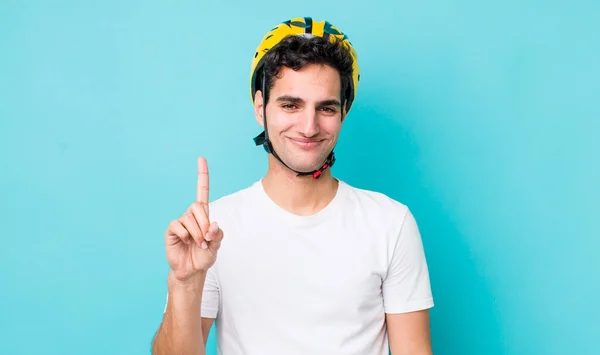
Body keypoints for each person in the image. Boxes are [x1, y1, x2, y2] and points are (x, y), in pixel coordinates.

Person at [151, 17, 434, 355]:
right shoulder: (214, 231)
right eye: (290, 105)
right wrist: (185, 282)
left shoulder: (390, 223)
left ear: (343, 111)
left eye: (326, 108)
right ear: (261, 108)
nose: (309, 126)